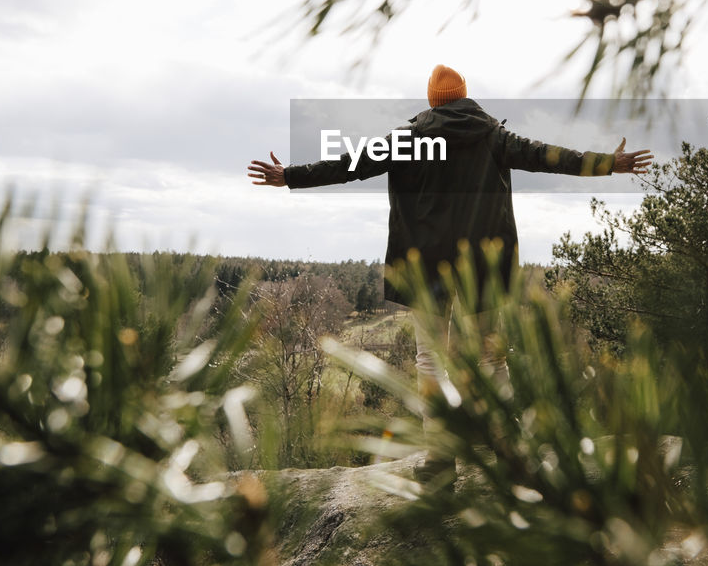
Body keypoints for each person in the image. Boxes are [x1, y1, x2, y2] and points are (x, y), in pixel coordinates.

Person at [247, 64, 652, 483]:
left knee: (430, 361)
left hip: (426, 266)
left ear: (431, 101)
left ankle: (440, 461)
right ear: (464, 97)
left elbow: (350, 165)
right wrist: (610, 164)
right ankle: (510, 456)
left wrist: (289, 176)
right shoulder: (494, 136)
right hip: (482, 263)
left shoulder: (407, 139)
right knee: (492, 358)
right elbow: (549, 156)